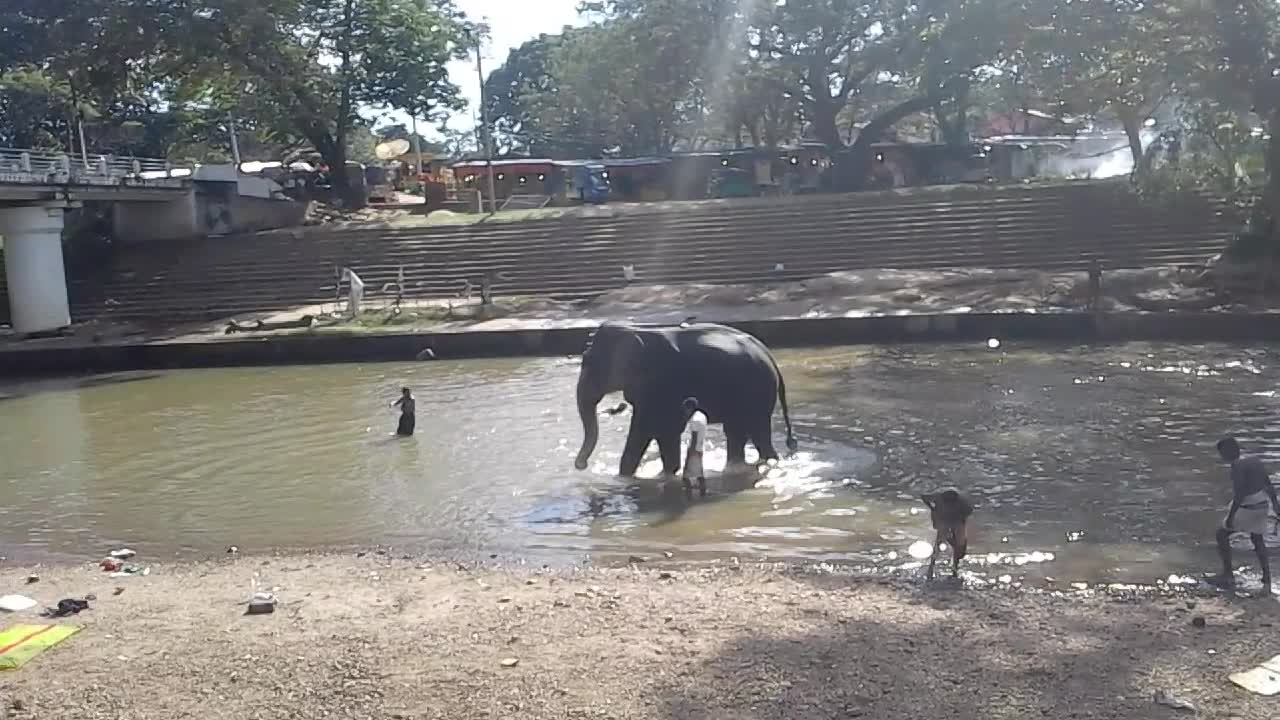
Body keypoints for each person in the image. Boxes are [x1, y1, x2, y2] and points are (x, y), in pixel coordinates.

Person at [1211, 436, 1280, 595]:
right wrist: (1275, 506)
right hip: (1262, 505)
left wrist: (1231, 516)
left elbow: (1240, 493)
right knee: (1257, 539)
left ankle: (1228, 575)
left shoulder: (1237, 466)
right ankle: (1267, 580)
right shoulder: (1254, 461)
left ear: (1228, 451)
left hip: (1248, 506)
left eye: (1221, 453)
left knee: (1221, 534)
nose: (1221, 457)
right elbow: (1268, 484)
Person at [920, 489, 974, 580]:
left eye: (951, 504)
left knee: (959, 546)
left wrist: (961, 521)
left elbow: (968, 512)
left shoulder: (962, 502)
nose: (949, 505)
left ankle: (955, 568)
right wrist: (933, 509)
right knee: (939, 543)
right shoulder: (938, 497)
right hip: (943, 520)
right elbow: (924, 497)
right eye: (947, 503)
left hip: (957, 521)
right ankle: (931, 567)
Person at [681, 397, 708, 497]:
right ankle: (702, 494)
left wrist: (689, 453)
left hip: (695, 450)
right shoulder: (702, 416)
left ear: (690, 408)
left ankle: (689, 497)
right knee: (699, 474)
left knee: (686, 476)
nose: (685, 412)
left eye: (686, 409)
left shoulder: (694, 420)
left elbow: (694, 438)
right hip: (700, 448)